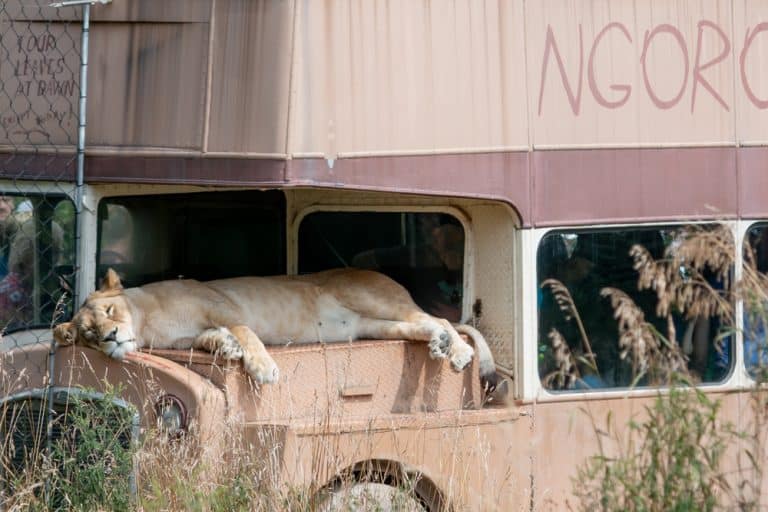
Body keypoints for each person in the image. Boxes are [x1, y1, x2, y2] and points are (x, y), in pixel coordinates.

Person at [352, 214, 464, 322]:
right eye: (425, 220)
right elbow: (360, 260)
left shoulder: (471, 260)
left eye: (457, 244)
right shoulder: (411, 256)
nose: (431, 227)